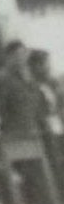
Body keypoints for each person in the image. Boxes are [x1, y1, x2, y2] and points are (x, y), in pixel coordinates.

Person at [0, 41, 58, 204]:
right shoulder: (2, 78)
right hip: (19, 132)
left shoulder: (28, 75)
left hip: (38, 129)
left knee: (47, 171)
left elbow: (37, 102)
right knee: (30, 174)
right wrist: (10, 130)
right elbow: (2, 108)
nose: (22, 59)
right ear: (9, 56)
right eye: (18, 55)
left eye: (24, 55)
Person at [29, 49, 64, 196]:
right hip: (47, 129)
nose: (47, 67)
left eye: (48, 63)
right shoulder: (31, 85)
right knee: (56, 163)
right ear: (35, 66)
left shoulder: (54, 82)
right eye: (43, 64)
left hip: (59, 124)